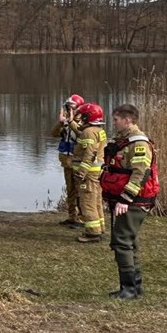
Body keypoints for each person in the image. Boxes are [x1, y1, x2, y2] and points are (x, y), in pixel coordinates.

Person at [99, 104, 160, 300]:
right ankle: (135, 286)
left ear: (128, 120)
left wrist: (125, 199)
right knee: (130, 241)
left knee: (122, 241)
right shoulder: (123, 142)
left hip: (134, 201)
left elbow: (141, 173)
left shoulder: (139, 144)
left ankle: (129, 289)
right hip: (128, 200)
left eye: (116, 119)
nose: (114, 123)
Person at [71, 102, 108, 243]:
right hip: (96, 173)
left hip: (87, 175)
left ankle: (92, 233)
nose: (80, 117)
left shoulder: (88, 132)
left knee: (87, 203)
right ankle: (100, 228)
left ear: (88, 116)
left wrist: (81, 172)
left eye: (82, 115)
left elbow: (90, 153)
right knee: (96, 202)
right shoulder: (98, 130)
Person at [50, 94, 85, 228]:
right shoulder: (65, 121)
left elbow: (81, 136)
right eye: (68, 107)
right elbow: (54, 134)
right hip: (67, 161)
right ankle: (72, 217)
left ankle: (82, 219)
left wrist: (71, 122)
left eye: (72, 107)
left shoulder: (83, 123)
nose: (69, 109)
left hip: (78, 162)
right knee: (70, 190)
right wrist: (60, 123)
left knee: (79, 191)